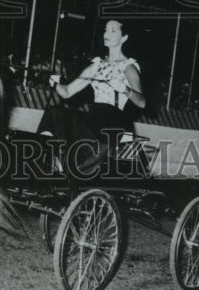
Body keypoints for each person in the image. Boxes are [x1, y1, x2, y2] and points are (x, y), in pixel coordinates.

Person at [39, 19, 146, 176]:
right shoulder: (97, 65)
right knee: (54, 112)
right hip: (94, 116)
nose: (106, 34)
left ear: (124, 38)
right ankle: (47, 155)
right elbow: (67, 92)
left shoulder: (128, 67)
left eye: (113, 30)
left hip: (113, 120)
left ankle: (68, 163)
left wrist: (124, 89)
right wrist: (55, 84)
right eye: (106, 30)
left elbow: (142, 102)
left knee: (82, 123)